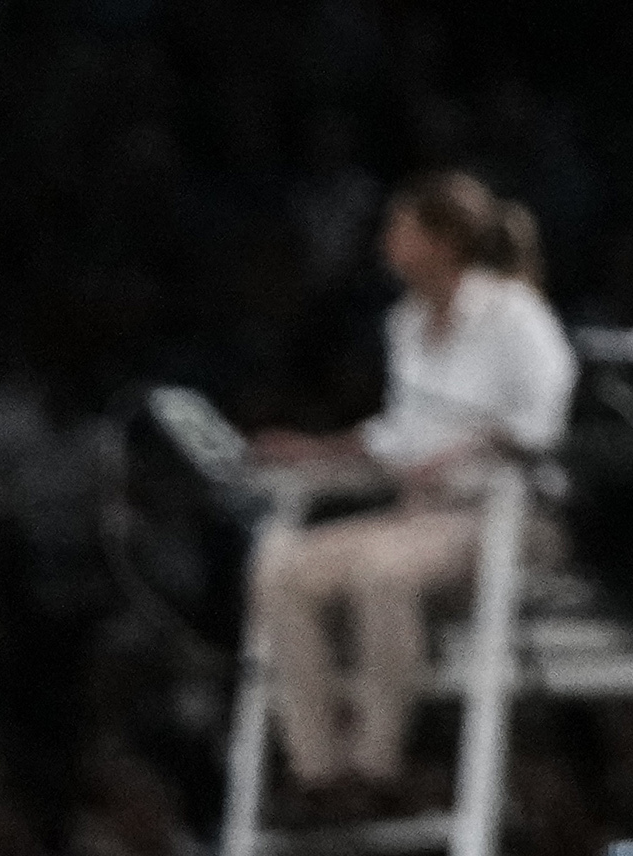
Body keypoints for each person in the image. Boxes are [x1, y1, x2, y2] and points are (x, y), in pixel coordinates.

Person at [242, 172, 581, 797]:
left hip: (508, 522)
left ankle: (377, 764)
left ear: (444, 242)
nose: (386, 244)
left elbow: (542, 424)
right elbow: (398, 436)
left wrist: (463, 451)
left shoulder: (514, 313)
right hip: (420, 520)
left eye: (401, 230)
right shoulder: (405, 323)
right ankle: (319, 772)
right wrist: (314, 450)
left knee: (383, 570)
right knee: (281, 568)